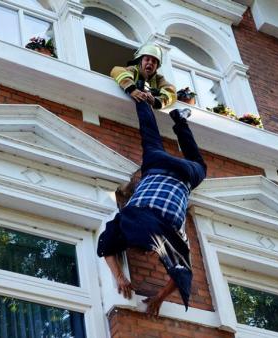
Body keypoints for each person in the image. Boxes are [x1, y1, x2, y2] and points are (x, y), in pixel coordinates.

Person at [97, 43, 207, 316]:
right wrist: (121, 277)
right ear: (140, 59)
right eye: (147, 60)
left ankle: (181, 120)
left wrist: (156, 295)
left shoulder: (174, 240)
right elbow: (106, 250)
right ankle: (177, 120)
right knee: (149, 135)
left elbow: (182, 276)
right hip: (156, 167)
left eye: (153, 62)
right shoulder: (126, 221)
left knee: (200, 166)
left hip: (184, 176)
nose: (150, 64)